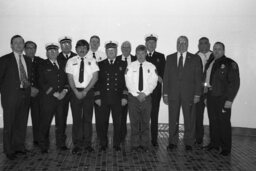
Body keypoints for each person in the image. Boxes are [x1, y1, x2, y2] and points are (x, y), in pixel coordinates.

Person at [163, 36, 202, 151]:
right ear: (176, 44)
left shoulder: (195, 58)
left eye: (184, 42)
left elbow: (198, 78)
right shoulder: (169, 58)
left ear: (188, 44)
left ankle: (189, 142)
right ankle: (172, 142)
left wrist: (197, 94)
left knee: (189, 119)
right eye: (179, 42)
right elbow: (166, 77)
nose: (181, 44)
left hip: (189, 94)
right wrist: (165, 94)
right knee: (173, 119)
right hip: (173, 94)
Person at [0, 35, 32, 160]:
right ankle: (9, 150)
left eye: (21, 42)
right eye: (15, 42)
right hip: (10, 97)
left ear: (24, 45)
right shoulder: (4, 60)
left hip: (25, 94)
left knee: (21, 122)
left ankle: (19, 147)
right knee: (9, 123)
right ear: (11, 45)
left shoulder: (27, 60)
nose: (18, 45)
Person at [205, 42, 240, 156]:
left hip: (223, 98)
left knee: (224, 123)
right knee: (213, 121)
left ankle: (226, 148)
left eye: (219, 49)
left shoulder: (230, 63)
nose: (216, 51)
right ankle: (214, 143)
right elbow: (206, 81)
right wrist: (206, 96)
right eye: (214, 49)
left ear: (224, 50)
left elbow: (234, 83)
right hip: (211, 96)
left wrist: (230, 99)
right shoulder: (210, 62)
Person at [66, 39, 98, 154]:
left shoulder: (92, 61)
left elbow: (95, 77)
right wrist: (75, 90)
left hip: (88, 91)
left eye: (84, 47)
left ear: (87, 49)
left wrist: (85, 91)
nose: (82, 49)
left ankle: (88, 143)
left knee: (88, 119)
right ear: (76, 49)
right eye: (80, 47)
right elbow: (69, 77)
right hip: (75, 92)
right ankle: (77, 144)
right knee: (77, 119)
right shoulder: (71, 61)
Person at [94, 41, 127, 152]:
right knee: (103, 122)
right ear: (106, 52)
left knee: (118, 123)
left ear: (116, 51)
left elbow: (126, 83)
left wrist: (124, 97)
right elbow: (97, 82)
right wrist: (97, 97)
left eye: (113, 51)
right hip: (103, 99)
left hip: (118, 99)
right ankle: (103, 143)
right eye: (109, 51)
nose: (111, 52)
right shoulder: (100, 64)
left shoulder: (123, 64)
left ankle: (116, 143)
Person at [125, 45, 158, 152]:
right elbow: (128, 82)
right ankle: (134, 144)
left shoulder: (151, 67)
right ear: (136, 54)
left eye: (142, 53)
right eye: (138, 53)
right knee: (134, 122)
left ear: (146, 54)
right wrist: (136, 94)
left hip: (146, 97)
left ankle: (144, 144)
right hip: (133, 98)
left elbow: (153, 82)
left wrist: (145, 93)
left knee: (145, 122)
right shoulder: (130, 66)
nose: (140, 56)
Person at [38, 43, 69, 153]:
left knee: (61, 123)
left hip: (62, 99)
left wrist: (65, 91)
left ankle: (61, 144)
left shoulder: (63, 63)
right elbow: (41, 82)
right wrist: (53, 93)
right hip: (48, 99)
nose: (52, 52)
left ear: (57, 52)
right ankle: (43, 145)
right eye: (50, 51)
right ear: (47, 53)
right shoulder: (42, 65)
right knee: (45, 123)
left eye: (54, 51)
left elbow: (67, 80)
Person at [145, 34, 166, 147]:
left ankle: (154, 139)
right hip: (143, 91)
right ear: (146, 44)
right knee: (143, 116)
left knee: (154, 115)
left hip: (156, 92)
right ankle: (142, 138)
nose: (151, 45)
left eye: (153, 43)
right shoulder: (141, 55)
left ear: (156, 44)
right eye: (149, 43)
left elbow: (163, 75)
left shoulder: (161, 57)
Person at [57, 36, 77, 148]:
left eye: (68, 44)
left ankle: (77, 141)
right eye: (63, 44)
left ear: (71, 45)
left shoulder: (77, 56)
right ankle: (61, 142)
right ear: (60, 46)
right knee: (61, 118)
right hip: (63, 92)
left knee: (77, 117)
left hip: (74, 91)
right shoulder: (57, 57)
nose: (66, 46)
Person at [24, 41, 44, 146]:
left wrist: (38, 89)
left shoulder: (41, 61)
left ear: (35, 49)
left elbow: (43, 78)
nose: (31, 50)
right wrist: (29, 88)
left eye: (33, 48)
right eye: (28, 48)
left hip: (37, 93)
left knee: (37, 117)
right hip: (23, 94)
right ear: (24, 49)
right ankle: (20, 142)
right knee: (22, 118)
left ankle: (37, 139)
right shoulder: (20, 60)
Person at [116, 41, 136, 144]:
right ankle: (121, 137)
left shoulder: (136, 59)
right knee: (121, 116)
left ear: (131, 48)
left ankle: (136, 138)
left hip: (134, 93)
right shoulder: (117, 59)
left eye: (128, 47)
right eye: (124, 47)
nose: (126, 49)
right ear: (121, 48)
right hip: (121, 93)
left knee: (134, 116)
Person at [194, 37, 213, 146]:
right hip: (199, 91)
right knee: (198, 116)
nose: (203, 45)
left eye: (205, 43)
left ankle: (214, 140)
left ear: (209, 44)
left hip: (211, 91)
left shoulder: (214, 56)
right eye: (201, 43)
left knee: (213, 116)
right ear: (198, 45)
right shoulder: (194, 57)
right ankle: (198, 138)